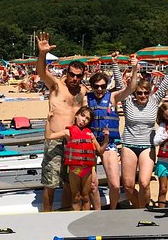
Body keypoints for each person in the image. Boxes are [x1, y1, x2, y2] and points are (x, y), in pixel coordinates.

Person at [113, 52, 168, 208]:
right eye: (139, 93)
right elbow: (119, 84)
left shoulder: (154, 100)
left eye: (145, 92)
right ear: (134, 93)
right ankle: (140, 208)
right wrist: (115, 64)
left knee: (144, 183)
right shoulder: (127, 101)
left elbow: (165, 84)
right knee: (129, 186)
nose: (142, 95)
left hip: (147, 146)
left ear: (149, 93)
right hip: (129, 144)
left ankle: (143, 211)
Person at [36, 31, 87, 212]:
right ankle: (47, 216)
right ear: (67, 72)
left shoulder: (83, 91)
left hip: (73, 141)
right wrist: (42, 53)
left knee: (69, 182)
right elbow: (41, 72)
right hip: (55, 139)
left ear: (83, 76)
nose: (75, 79)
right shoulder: (56, 86)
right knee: (50, 183)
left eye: (78, 76)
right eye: (72, 75)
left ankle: (65, 212)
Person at [86, 54, 139, 209]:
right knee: (93, 185)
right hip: (91, 143)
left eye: (103, 86)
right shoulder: (85, 98)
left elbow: (131, 88)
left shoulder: (113, 97)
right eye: (96, 86)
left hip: (108, 144)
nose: (100, 89)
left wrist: (135, 68)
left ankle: (112, 210)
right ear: (92, 86)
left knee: (115, 185)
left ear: (106, 86)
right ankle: (96, 211)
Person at [47, 107, 109, 210]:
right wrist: (49, 120)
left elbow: (101, 150)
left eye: (87, 118)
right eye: (82, 116)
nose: (84, 119)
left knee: (85, 197)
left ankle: (85, 220)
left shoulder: (90, 134)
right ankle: (76, 217)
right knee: (75, 197)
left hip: (87, 170)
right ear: (77, 115)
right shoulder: (68, 132)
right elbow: (49, 136)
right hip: (74, 170)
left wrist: (106, 138)